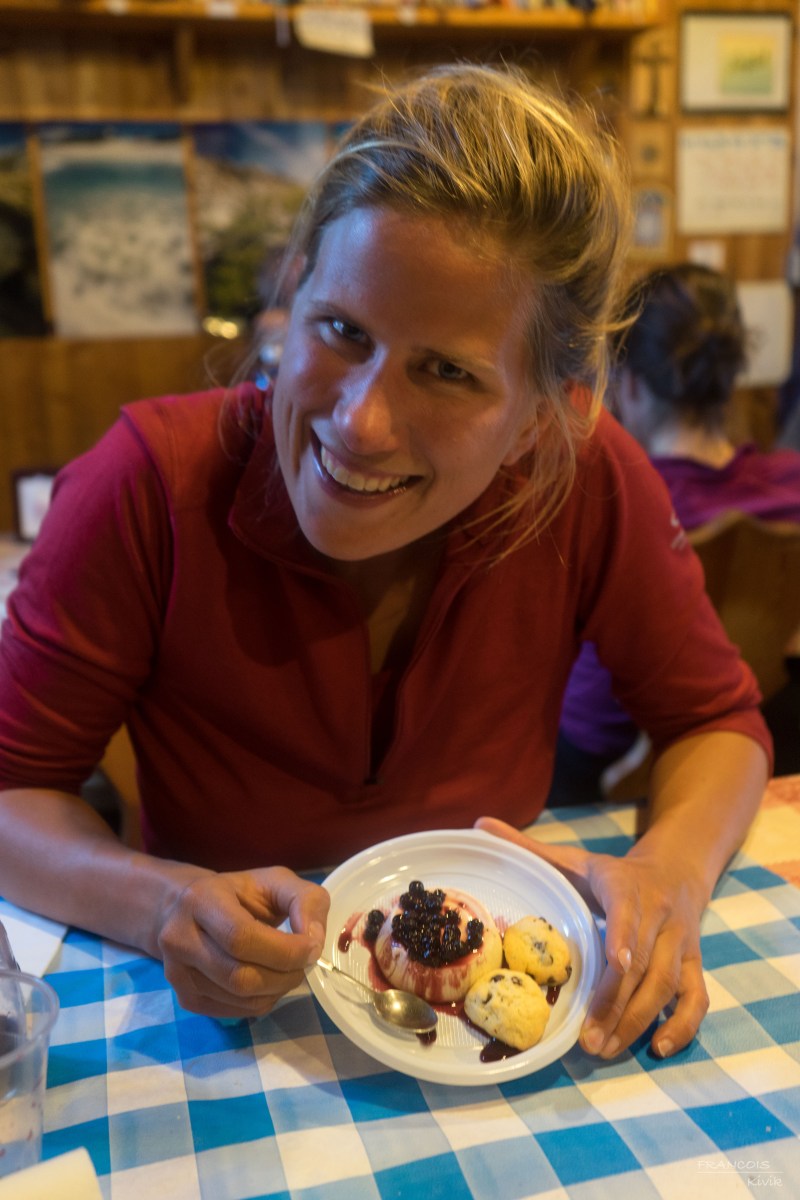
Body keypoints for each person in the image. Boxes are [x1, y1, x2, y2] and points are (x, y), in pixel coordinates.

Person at [0, 67, 770, 1065]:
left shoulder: (589, 480)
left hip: (494, 1048)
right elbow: (13, 789)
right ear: (290, 302)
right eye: (341, 330)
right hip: (221, 1037)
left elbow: (715, 721)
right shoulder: (144, 486)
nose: (359, 424)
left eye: (447, 371)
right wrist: (159, 903)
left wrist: (668, 874)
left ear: (542, 413)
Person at [552, 263, 800, 804]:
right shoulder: (790, 488)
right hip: (751, 746)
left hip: (591, 753)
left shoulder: (615, 507)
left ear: (629, 385)